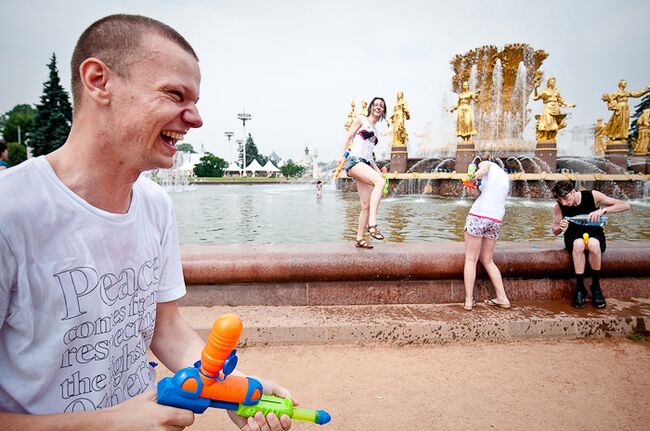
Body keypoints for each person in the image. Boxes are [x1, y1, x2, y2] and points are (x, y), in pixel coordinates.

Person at [0, 14, 293, 431]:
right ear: (99, 80)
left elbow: (165, 328)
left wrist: (233, 389)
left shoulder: (155, 205)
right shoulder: (10, 212)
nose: (195, 118)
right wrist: (109, 422)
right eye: (175, 94)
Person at [551, 181, 631, 309]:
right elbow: (555, 231)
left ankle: (596, 286)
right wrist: (560, 227)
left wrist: (603, 211)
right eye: (560, 199)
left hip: (595, 233)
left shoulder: (592, 196)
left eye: (565, 198)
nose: (564, 203)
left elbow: (625, 206)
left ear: (573, 191)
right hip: (573, 236)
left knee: (594, 244)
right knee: (578, 245)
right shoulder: (559, 206)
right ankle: (580, 288)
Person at [462, 155, 511, 311]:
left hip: (478, 216)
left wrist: (472, 176)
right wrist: (474, 187)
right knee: (487, 260)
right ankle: (502, 297)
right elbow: (479, 195)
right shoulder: (503, 177)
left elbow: (483, 169)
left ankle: (469, 300)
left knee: (471, 259)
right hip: (495, 219)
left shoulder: (487, 163)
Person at [339, 97, 387, 249]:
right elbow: (348, 136)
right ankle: (372, 224)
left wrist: (378, 170)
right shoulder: (361, 119)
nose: (378, 107)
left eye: (381, 106)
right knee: (380, 182)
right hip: (354, 161)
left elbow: (370, 155)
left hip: (365, 163)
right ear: (371, 107)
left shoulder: (377, 132)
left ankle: (359, 238)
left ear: (383, 111)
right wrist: (341, 157)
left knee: (365, 205)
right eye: (376, 104)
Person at [532, 76, 575, 142]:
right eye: (552, 82)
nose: (553, 83)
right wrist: (535, 88)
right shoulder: (545, 92)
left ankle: (550, 138)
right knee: (548, 123)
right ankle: (545, 138)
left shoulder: (556, 92)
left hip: (555, 108)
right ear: (549, 83)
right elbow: (535, 98)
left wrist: (569, 105)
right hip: (548, 107)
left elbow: (561, 101)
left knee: (554, 123)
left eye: (554, 82)